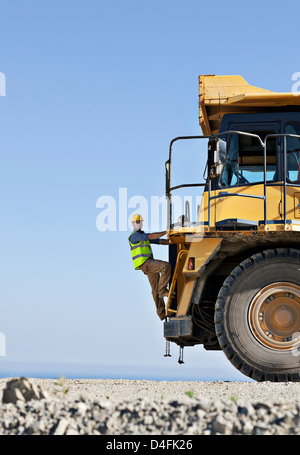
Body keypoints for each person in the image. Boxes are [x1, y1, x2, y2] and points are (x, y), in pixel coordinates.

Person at [128, 214, 172, 320]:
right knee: (165, 266)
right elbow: (151, 236)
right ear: (133, 224)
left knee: (154, 290)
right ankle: (162, 289)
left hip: (147, 265)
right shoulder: (135, 236)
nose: (139, 223)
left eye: (140, 221)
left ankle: (162, 313)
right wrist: (166, 232)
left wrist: (172, 242)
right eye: (137, 222)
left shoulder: (142, 235)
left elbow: (159, 241)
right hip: (146, 263)